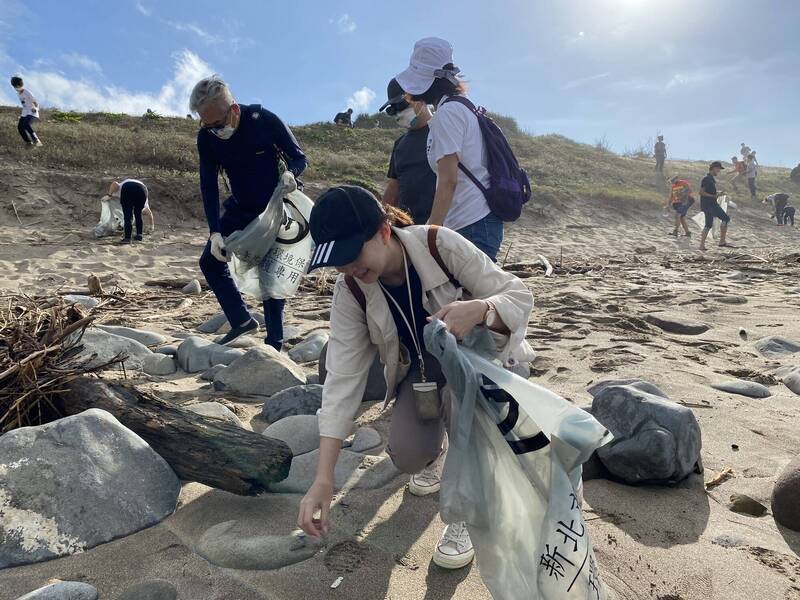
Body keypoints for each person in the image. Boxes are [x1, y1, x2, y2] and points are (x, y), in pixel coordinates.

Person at [297, 185, 535, 571]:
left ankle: (466, 515)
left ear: (384, 231)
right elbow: (342, 379)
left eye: (352, 255)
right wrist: (323, 479)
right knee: (407, 456)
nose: (347, 269)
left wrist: (482, 308)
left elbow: (519, 296)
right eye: (336, 262)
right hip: (421, 373)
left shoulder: (440, 246)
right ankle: (437, 453)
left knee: (465, 409)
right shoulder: (352, 290)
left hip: (484, 367)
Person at [190, 75, 307, 350]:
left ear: (234, 110)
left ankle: (274, 345)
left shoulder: (263, 120)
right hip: (241, 207)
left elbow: (299, 157)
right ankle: (241, 320)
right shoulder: (207, 138)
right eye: (206, 124)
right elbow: (207, 184)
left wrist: (292, 173)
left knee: (270, 275)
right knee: (210, 262)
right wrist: (214, 231)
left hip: (275, 208)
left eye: (216, 124)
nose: (213, 130)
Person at [396, 37, 504, 261]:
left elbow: (448, 180)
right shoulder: (462, 105)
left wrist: (431, 235)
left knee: (466, 295)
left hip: (471, 222)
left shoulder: (447, 113)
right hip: (477, 220)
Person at [379, 78, 437, 225]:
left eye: (402, 104)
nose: (398, 112)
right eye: (392, 109)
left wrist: (436, 224)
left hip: (440, 226)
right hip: (405, 228)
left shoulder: (442, 131)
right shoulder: (400, 144)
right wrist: (379, 220)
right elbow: (394, 186)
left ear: (420, 97)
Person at [699, 161, 731, 251]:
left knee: (708, 224)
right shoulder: (707, 179)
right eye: (718, 169)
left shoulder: (710, 179)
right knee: (726, 218)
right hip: (711, 204)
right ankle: (722, 241)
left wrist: (718, 193)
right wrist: (713, 196)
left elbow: (708, 192)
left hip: (706, 205)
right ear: (713, 168)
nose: (719, 171)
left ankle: (701, 245)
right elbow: (701, 192)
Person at [10, 76, 42, 147]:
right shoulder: (18, 94)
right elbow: (24, 104)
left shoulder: (27, 92)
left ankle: (36, 140)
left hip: (32, 113)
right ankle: (28, 143)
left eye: (15, 86)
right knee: (20, 127)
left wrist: (35, 108)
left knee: (25, 124)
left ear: (18, 86)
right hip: (25, 113)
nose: (14, 88)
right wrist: (21, 115)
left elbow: (36, 102)